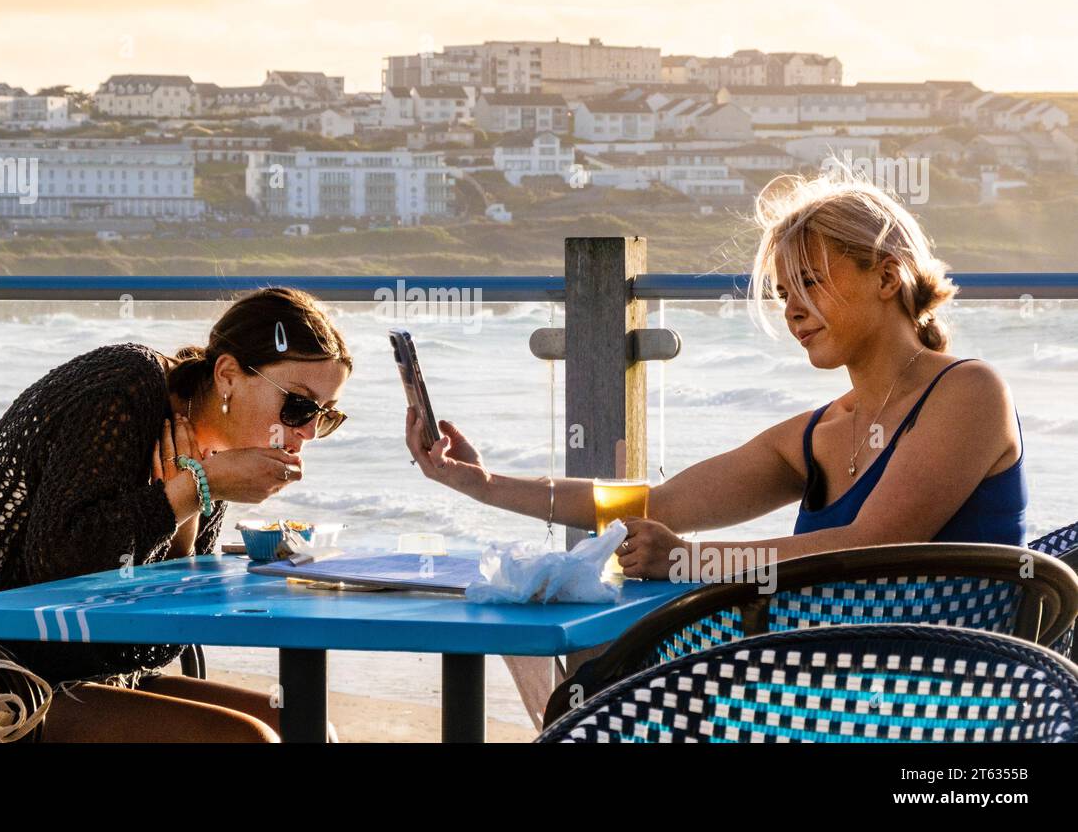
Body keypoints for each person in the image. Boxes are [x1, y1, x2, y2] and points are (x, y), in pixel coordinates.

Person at [405, 172, 1027, 578]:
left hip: (950, 692)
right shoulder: (818, 433)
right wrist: (480, 483)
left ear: (888, 277)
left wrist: (690, 562)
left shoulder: (968, 392)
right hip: (831, 687)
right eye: (784, 292)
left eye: (811, 282)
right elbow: (654, 503)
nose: (793, 310)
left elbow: (872, 547)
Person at [0, 287, 352, 741]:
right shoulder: (122, 389)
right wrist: (194, 488)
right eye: (300, 405)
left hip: (100, 670)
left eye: (325, 415)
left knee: (308, 724)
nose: (307, 430)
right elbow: (66, 567)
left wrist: (192, 500)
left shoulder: (211, 439)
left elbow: (165, 627)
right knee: (249, 740)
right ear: (228, 374)